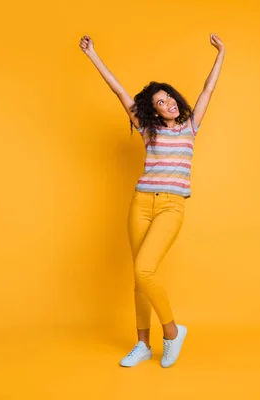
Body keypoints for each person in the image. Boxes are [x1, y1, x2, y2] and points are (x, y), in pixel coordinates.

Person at [79, 33, 225, 368]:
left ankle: (172, 332)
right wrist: (93, 55)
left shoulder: (190, 126)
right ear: (152, 110)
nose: (168, 103)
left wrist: (221, 53)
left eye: (170, 98)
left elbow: (208, 90)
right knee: (138, 275)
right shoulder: (148, 130)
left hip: (172, 206)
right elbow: (119, 92)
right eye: (160, 102)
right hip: (141, 203)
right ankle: (143, 344)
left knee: (146, 270)